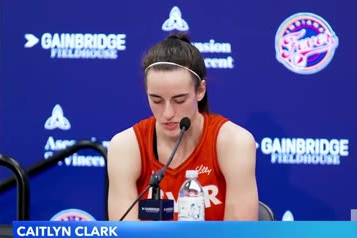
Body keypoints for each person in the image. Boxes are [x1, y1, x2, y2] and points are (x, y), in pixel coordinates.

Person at [107, 32, 259, 221]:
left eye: (179, 100)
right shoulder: (126, 146)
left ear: (200, 90)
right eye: (156, 100)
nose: (168, 113)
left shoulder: (234, 143)